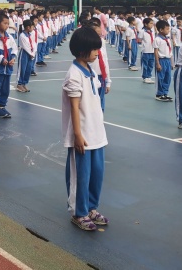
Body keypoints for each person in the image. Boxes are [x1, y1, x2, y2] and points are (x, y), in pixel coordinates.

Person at [61, 26, 108, 232]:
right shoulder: (74, 75)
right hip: (83, 136)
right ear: (82, 50)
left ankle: (91, 207)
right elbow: (75, 107)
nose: (98, 52)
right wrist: (77, 135)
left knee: (96, 174)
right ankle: (79, 212)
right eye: (94, 49)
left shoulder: (90, 71)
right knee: (81, 176)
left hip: (96, 133)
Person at [0, 11, 17, 118]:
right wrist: (1, 59)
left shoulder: (9, 37)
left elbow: (14, 48)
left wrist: (13, 58)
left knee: (6, 89)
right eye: (5, 23)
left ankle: (3, 106)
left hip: (8, 68)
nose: (7, 25)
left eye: (8, 23)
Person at [153, 20, 174, 102]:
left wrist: (172, 62)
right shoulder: (157, 39)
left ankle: (165, 93)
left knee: (167, 77)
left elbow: (170, 51)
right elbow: (156, 51)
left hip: (167, 60)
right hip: (161, 60)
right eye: (167, 29)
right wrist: (157, 63)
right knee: (160, 77)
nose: (168, 31)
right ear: (161, 30)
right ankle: (159, 94)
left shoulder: (167, 39)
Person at [16, 19, 36, 93]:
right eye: (32, 27)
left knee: (28, 69)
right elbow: (25, 46)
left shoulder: (31, 34)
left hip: (31, 53)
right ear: (28, 27)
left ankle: (24, 83)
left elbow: (34, 44)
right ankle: (19, 84)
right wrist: (31, 53)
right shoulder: (22, 35)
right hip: (24, 53)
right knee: (22, 69)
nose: (33, 28)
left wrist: (33, 53)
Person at [139, 18, 155, 83]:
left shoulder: (152, 31)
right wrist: (142, 45)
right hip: (145, 50)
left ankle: (149, 76)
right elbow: (139, 39)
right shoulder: (142, 31)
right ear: (145, 24)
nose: (152, 25)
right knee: (145, 64)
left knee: (151, 64)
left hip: (152, 50)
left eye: (152, 23)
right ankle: (145, 77)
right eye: (150, 23)